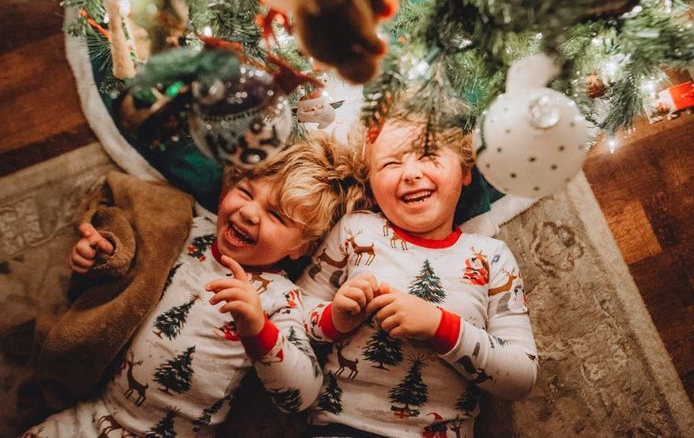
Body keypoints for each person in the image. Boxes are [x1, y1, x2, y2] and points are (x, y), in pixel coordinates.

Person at [24, 134, 369, 437]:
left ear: (302, 248)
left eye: (276, 215)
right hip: (95, 411)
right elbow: (127, 267)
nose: (249, 213)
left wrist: (258, 330)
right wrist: (100, 256)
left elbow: (302, 395)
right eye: (245, 192)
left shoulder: (281, 298)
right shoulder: (188, 232)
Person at [298, 110, 538, 438]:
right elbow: (293, 314)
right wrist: (334, 318)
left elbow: (521, 378)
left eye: (427, 154)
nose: (410, 173)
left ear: (465, 170)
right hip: (339, 428)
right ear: (370, 180)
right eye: (390, 164)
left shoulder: (491, 257)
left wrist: (440, 327)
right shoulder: (356, 230)